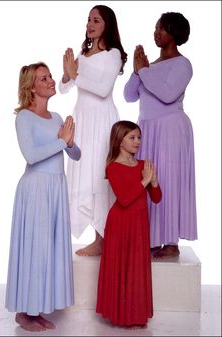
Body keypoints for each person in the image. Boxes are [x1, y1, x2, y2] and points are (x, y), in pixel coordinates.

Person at [5, 62, 81, 332]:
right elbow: (31, 156)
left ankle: (37, 308)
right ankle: (24, 312)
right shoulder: (24, 118)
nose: (51, 81)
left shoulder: (58, 118)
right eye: (44, 78)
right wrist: (62, 141)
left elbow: (76, 154)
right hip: (36, 189)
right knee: (35, 249)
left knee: (48, 249)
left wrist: (69, 143)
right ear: (31, 87)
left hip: (55, 189)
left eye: (50, 76)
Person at [124, 12, 197, 259]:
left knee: (168, 180)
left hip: (170, 129)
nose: (157, 33)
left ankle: (171, 242)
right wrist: (137, 72)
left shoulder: (183, 65)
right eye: (156, 28)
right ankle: (153, 238)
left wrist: (143, 72)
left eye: (162, 29)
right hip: (147, 130)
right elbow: (129, 96)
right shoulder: (149, 67)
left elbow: (167, 94)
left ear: (174, 33)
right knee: (147, 181)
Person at [59, 4, 127, 256]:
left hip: (102, 121)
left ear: (107, 24)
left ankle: (102, 238)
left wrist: (74, 75)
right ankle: (94, 236)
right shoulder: (83, 53)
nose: (90, 24)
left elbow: (102, 89)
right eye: (88, 19)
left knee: (99, 173)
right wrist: (67, 76)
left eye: (96, 20)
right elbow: (64, 88)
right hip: (83, 119)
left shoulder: (113, 55)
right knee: (83, 172)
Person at [96, 120, 162, 328]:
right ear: (119, 141)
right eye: (132, 137)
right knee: (122, 267)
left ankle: (135, 314)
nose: (137, 141)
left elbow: (157, 198)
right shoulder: (113, 167)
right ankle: (121, 315)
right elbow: (124, 199)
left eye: (139, 137)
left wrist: (153, 182)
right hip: (120, 224)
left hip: (139, 225)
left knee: (136, 268)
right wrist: (144, 181)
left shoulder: (144, 166)